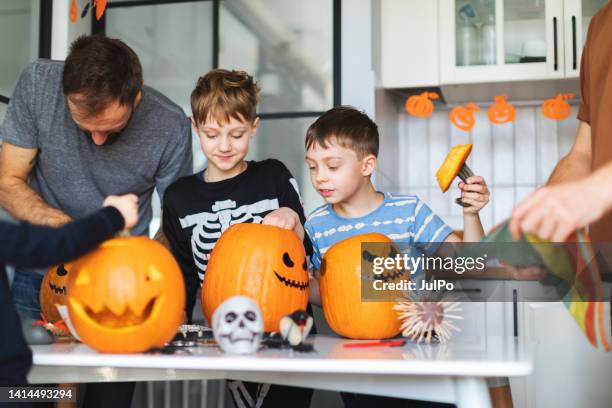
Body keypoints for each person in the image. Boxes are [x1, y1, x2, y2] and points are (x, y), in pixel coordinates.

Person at [0, 34, 192, 408]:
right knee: (25, 395)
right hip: (41, 277)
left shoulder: (170, 125)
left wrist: (155, 282)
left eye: (111, 127)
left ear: (135, 96)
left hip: (124, 291)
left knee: (109, 400)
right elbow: (7, 182)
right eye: (85, 126)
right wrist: (74, 239)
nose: (99, 140)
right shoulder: (39, 84)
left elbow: (175, 220)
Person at [303, 106, 514, 407]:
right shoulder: (316, 227)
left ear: (367, 165)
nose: (320, 177)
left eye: (332, 166)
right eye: (312, 167)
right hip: (358, 359)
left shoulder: (408, 212)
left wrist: (470, 214)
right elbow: (324, 292)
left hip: (420, 352)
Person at [163, 69, 313, 408]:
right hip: (224, 336)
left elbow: (305, 252)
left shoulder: (273, 176)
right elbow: (185, 277)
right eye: (212, 134)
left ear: (254, 127)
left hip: (289, 330)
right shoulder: (178, 197)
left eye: (237, 134)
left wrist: (292, 219)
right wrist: (175, 330)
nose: (225, 146)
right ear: (195, 127)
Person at [0, 194, 137, 389]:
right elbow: (52, 245)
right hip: (8, 390)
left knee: (50, 396)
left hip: (9, 388)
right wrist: (113, 215)